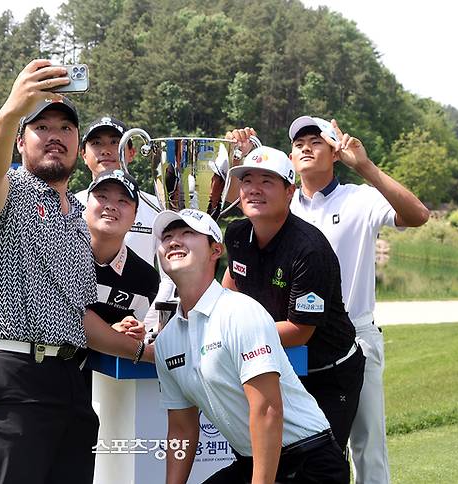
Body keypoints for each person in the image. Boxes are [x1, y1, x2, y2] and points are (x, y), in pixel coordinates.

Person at [0, 59, 153, 484]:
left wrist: (143, 351)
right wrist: (11, 108)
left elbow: (77, 317)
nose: (54, 136)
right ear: (20, 143)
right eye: (41, 128)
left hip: (70, 384)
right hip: (6, 377)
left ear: (78, 147)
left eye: (65, 129)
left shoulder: (79, 219)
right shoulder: (9, 190)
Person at [153, 208, 348, 484]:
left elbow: (267, 409)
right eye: (167, 236)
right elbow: (181, 430)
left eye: (187, 233)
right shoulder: (167, 342)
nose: (174, 241)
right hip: (252, 462)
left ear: (215, 251)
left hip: (310, 463)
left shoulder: (240, 312)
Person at [288, 116, 430, 483]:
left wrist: (364, 166)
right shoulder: (282, 208)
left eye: (316, 141)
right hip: (295, 335)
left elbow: (418, 215)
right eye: (298, 142)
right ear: (290, 158)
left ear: (335, 152)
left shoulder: (360, 198)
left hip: (356, 337)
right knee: (301, 442)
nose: (306, 146)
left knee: (366, 444)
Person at [222, 146, 365, 454]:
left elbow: (300, 331)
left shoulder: (308, 248)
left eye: (267, 181)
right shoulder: (236, 234)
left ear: (290, 191)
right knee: (274, 460)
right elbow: (231, 286)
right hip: (275, 366)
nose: (254, 189)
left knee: (321, 464)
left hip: (327, 372)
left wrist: (232, 335)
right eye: (247, 180)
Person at [75, 115, 177, 334]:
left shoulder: (157, 207)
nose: (106, 150)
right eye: (96, 143)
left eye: (115, 142)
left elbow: (168, 279)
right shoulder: (69, 205)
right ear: (83, 154)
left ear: (131, 152)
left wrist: (145, 327)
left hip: (135, 323)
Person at [83, 168, 160, 335]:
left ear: (135, 215)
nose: (111, 206)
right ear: (86, 203)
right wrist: (109, 334)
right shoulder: (58, 257)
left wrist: (137, 332)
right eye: (102, 196)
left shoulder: (147, 280)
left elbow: (143, 334)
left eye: (123, 201)